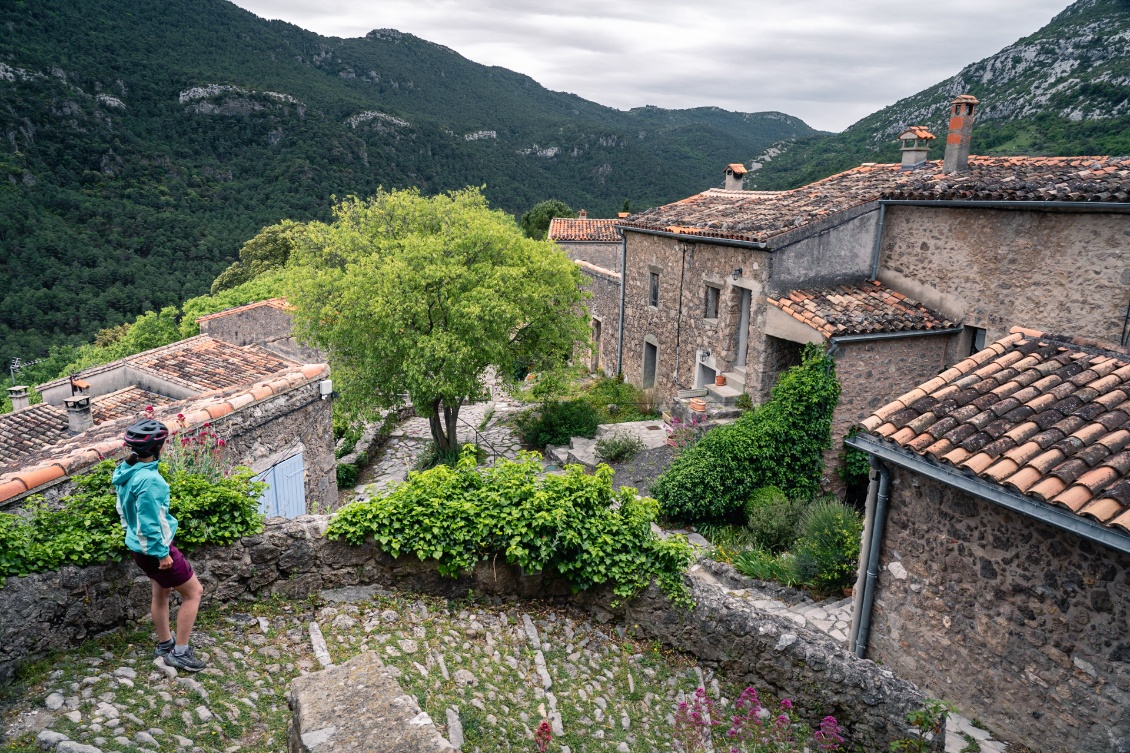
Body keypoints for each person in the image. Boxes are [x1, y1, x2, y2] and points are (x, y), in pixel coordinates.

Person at [113, 418, 206, 672]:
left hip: (138, 547)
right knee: (193, 592)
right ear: (159, 448)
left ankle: (165, 644)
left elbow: (125, 511)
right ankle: (181, 652)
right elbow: (150, 521)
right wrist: (162, 553)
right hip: (155, 549)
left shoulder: (126, 471)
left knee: (161, 594)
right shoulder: (151, 481)